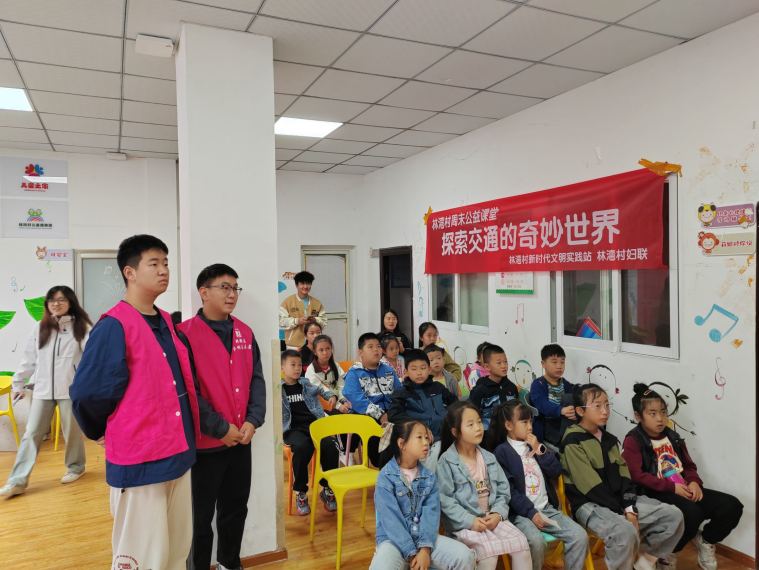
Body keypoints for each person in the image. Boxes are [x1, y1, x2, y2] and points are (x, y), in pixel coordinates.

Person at [71, 235, 200, 570]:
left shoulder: (165, 322)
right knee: (142, 557)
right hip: (141, 461)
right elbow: (88, 393)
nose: (164, 270)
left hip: (178, 453)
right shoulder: (113, 325)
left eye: (166, 263)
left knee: (175, 552)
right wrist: (101, 430)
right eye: (153, 263)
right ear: (129, 272)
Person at [175, 264, 266, 570]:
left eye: (235, 288)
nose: (232, 294)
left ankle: (230, 563)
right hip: (205, 446)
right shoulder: (184, 334)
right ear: (204, 292)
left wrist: (253, 420)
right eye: (224, 287)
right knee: (199, 518)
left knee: (235, 509)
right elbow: (187, 392)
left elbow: (256, 380)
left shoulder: (244, 332)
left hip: (241, 439)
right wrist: (219, 428)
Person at [561, 384, 684, 570]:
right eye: (597, 406)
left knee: (673, 516)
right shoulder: (572, 441)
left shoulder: (609, 439)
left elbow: (625, 477)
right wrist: (623, 512)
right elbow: (590, 487)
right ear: (580, 411)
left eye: (607, 405)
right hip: (589, 505)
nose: (605, 411)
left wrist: (630, 509)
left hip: (618, 502)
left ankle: (644, 563)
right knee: (624, 532)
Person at [622, 383, 743, 570]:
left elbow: (688, 465)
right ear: (638, 416)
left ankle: (705, 540)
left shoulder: (672, 436)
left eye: (663, 412)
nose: (660, 418)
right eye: (652, 414)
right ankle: (665, 552)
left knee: (731, 506)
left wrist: (694, 482)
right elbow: (636, 475)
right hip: (655, 492)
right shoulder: (634, 440)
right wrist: (672, 488)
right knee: (692, 514)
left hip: (682, 487)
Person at [0, 286, 91, 498]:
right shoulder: (40, 327)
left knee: (71, 432)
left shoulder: (82, 327)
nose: (55, 304)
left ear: (70, 302)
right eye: (51, 300)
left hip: (70, 390)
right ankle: (17, 481)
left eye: (61, 300)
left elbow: (92, 358)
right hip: (42, 390)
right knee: (31, 433)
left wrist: (86, 385)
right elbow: (29, 358)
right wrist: (18, 383)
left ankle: (76, 467)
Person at [487, 401, 589, 570]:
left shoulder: (535, 446)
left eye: (530, 421)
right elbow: (509, 491)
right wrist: (531, 513)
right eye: (524, 422)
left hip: (546, 509)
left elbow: (556, 471)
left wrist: (539, 450)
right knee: (535, 541)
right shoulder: (502, 452)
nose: (530, 426)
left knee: (580, 536)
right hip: (520, 514)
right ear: (509, 425)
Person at [436, 401, 531, 570]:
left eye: (479, 422)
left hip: (491, 518)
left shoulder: (489, 458)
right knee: (489, 554)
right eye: (470, 424)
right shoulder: (446, 462)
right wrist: (470, 521)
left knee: (521, 545)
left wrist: (498, 514)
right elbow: (446, 501)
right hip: (464, 523)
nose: (478, 428)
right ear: (455, 432)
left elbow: (503, 491)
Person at [370, 420, 476, 570]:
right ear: (402, 444)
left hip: (425, 539)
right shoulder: (385, 478)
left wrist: (425, 550)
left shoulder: (430, 478)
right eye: (419, 437)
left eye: (426, 437)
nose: (426, 442)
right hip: (393, 542)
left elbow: (431, 516)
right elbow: (391, 521)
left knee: (465, 556)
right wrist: (411, 553)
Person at [281, 350, 340, 516]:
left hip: (314, 425)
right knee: (302, 447)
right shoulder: (279, 389)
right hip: (292, 429)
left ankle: (327, 488)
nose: (297, 368)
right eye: (293, 365)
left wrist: (331, 396)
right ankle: (300, 492)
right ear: (282, 368)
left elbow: (321, 390)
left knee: (331, 445)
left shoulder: (305, 383)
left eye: (299, 365)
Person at [388, 349, 458, 470]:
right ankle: (427, 478)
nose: (419, 373)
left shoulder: (437, 388)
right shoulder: (401, 393)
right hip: (419, 439)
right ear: (406, 372)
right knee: (437, 455)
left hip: (443, 436)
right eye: (414, 369)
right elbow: (393, 415)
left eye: (423, 368)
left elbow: (456, 404)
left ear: (429, 370)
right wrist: (418, 425)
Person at [342, 332, 401, 466]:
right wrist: (381, 415)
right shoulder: (354, 373)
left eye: (378, 346)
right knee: (379, 455)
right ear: (360, 352)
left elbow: (400, 393)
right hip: (367, 416)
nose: (376, 350)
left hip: (391, 413)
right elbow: (358, 400)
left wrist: (396, 411)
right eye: (370, 346)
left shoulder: (388, 370)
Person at [530, 344, 576, 446]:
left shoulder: (564, 383)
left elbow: (576, 390)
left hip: (565, 423)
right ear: (543, 364)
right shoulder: (538, 384)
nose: (559, 366)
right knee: (568, 398)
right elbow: (542, 404)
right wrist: (561, 410)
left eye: (562, 362)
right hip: (549, 426)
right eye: (554, 362)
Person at [467, 344, 518, 430]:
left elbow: (517, 412)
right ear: (487, 366)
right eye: (499, 363)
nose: (504, 366)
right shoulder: (479, 391)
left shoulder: (512, 387)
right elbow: (471, 418)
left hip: (509, 432)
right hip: (487, 434)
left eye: (505, 361)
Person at [279, 271, 327, 349]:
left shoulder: (317, 303)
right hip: (293, 345)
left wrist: (315, 320)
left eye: (308, 283)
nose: (305, 286)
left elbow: (324, 322)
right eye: (302, 283)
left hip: (313, 344)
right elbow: (281, 322)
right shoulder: (287, 302)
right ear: (296, 285)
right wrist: (297, 321)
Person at [305, 334, 350, 413]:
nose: (325, 352)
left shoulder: (336, 366)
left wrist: (344, 401)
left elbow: (342, 386)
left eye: (328, 348)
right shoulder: (311, 370)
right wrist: (338, 406)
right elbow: (318, 393)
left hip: (339, 403)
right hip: (322, 407)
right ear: (315, 352)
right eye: (321, 350)